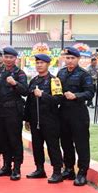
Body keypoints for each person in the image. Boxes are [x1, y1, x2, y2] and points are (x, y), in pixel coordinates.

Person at [57, 47, 94, 186]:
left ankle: (82, 173)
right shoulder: (60, 73)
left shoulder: (84, 75)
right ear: (64, 59)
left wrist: (76, 96)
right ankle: (68, 169)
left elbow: (90, 93)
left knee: (81, 144)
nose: (70, 61)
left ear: (78, 59)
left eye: (73, 58)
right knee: (65, 143)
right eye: (68, 58)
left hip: (78, 112)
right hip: (63, 112)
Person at [24, 54, 63, 184]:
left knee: (53, 146)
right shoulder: (34, 80)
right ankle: (39, 169)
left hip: (50, 119)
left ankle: (57, 171)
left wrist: (43, 95)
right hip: (35, 120)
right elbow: (29, 102)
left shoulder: (54, 80)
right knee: (37, 146)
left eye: (42, 63)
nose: (39, 65)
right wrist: (27, 119)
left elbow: (58, 99)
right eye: (37, 63)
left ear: (48, 64)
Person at [0, 47, 28, 181]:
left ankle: (16, 168)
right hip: (1, 111)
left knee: (14, 140)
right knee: (3, 139)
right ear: (3, 58)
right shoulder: (0, 73)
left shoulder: (20, 73)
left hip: (13, 111)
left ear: (15, 59)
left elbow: (25, 91)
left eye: (11, 57)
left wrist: (15, 83)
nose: (8, 59)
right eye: (6, 57)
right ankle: (6, 166)